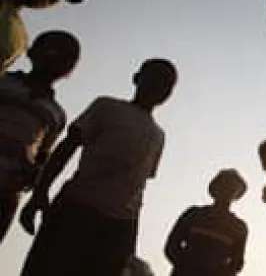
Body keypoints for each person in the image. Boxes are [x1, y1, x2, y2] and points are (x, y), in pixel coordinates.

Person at [19, 58, 178, 276]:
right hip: (76, 209)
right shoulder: (106, 107)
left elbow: (137, 188)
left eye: (167, 84)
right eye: (155, 78)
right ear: (137, 78)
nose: (159, 86)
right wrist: (40, 191)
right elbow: (68, 146)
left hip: (116, 229)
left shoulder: (158, 136)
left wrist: (129, 243)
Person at [0, 30, 80, 243]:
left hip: (6, 192)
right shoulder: (4, 82)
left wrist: (31, 178)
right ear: (33, 52)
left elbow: (42, 156)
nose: (56, 59)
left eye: (67, 58)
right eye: (52, 50)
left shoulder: (56, 114)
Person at [165, 169, 249, 276]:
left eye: (232, 187)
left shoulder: (239, 227)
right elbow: (171, 246)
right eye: (224, 185)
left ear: (237, 194)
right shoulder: (194, 214)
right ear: (215, 189)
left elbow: (237, 263)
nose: (227, 190)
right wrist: (185, 267)